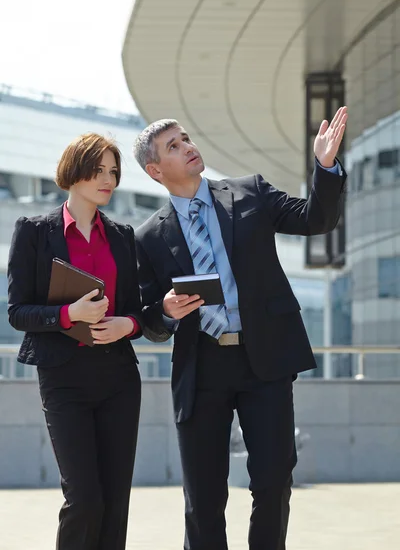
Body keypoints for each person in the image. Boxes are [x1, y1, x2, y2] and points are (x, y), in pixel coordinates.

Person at [133, 107, 348, 550]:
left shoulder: (249, 192)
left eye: (186, 138)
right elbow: (149, 322)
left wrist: (324, 166)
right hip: (202, 368)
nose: (188, 147)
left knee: (273, 482)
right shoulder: (148, 237)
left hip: (264, 361)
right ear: (156, 171)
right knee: (204, 498)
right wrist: (167, 310)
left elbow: (315, 219)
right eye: (174, 146)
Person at [7, 133, 153, 550]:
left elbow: (137, 312)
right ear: (74, 171)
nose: (108, 180)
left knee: (114, 500)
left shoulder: (123, 236)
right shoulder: (34, 232)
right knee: (84, 497)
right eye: (99, 170)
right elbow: (18, 312)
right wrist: (69, 315)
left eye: (113, 172)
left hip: (119, 377)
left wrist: (127, 324)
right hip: (64, 378)